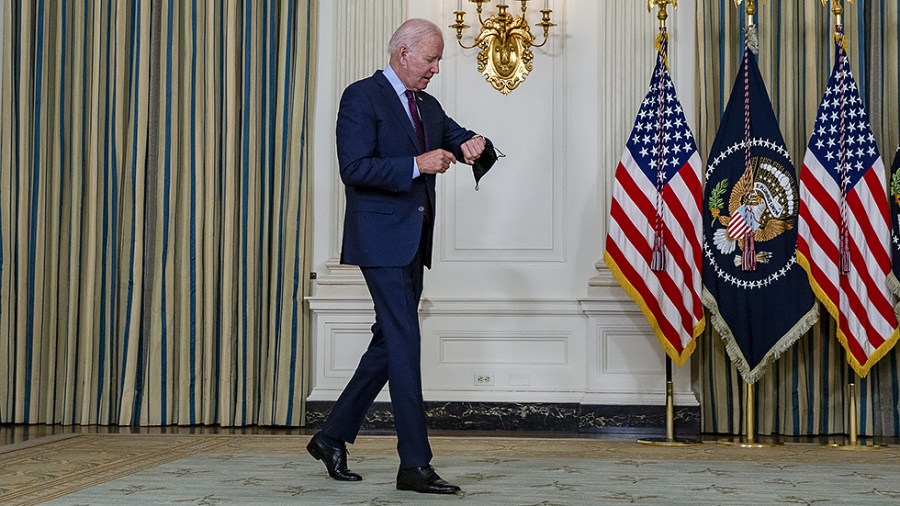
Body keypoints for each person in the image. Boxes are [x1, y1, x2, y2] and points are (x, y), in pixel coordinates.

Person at [306, 18, 488, 495]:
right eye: (431, 59)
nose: (435, 69)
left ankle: (331, 436)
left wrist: (475, 145)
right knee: (405, 342)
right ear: (403, 53)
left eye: (438, 60)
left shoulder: (426, 104)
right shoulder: (361, 96)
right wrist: (416, 165)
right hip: (380, 240)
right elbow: (354, 167)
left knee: (389, 343)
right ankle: (414, 465)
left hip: (414, 241)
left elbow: (456, 134)